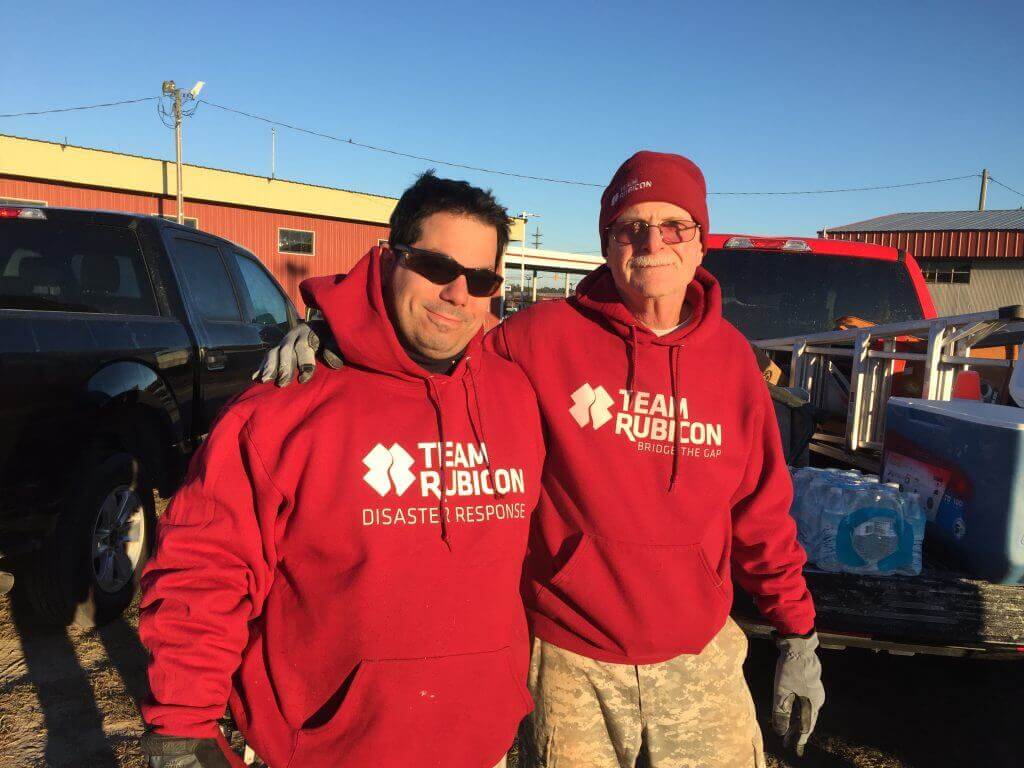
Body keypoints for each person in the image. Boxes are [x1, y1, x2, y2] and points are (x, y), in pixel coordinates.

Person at [264, 151, 825, 767]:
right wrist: (335, 326)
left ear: (699, 244)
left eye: (674, 226)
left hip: (699, 656)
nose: (652, 242)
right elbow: (436, 332)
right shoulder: (539, 336)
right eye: (631, 227)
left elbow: (761, 514)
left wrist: (798, 633)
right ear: (607, 244)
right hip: (568, 657)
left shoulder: (735, 364)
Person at [139, 172, 545, 768]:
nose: (458, 292)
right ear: (388, 259)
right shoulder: (289, 402)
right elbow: (205, 568)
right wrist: (181, 723)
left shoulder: (515, 394)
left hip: (478, 743)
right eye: (436, 266)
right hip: (327, 746)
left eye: (480, 278)